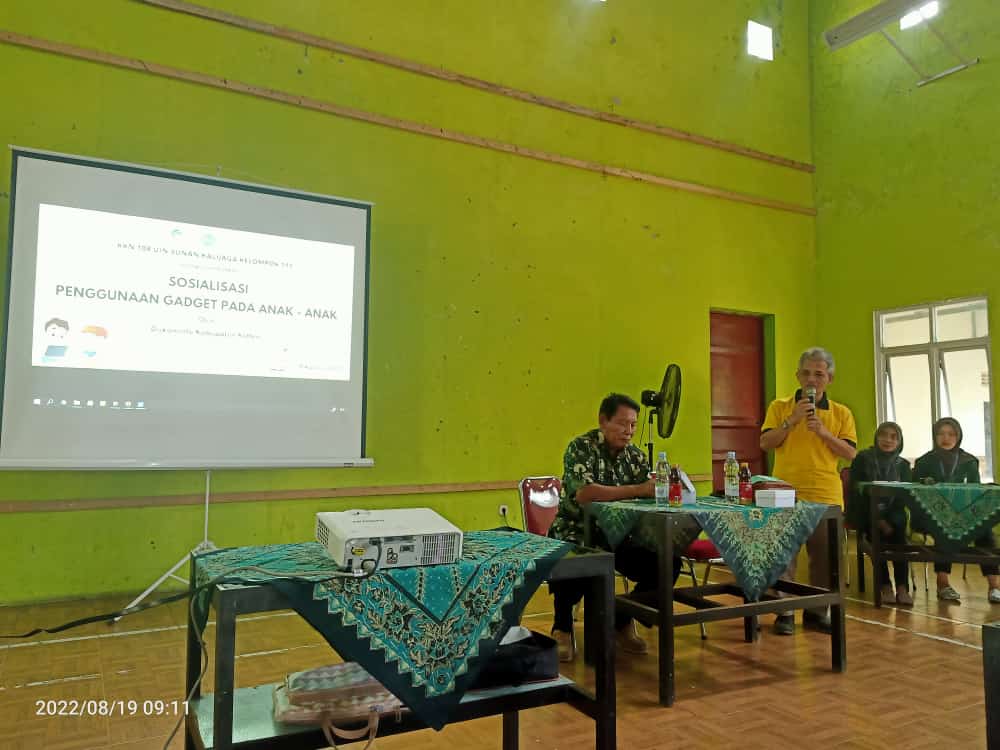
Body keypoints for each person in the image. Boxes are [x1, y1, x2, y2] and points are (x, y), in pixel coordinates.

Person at [548, 393, 679, 662]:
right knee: (582, 558)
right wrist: (638, 489)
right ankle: (562, 627)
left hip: (621, 535)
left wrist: (664, 485)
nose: (629, 431)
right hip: (577, 530)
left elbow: (647, 495)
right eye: (622, 424)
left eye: (633, 425)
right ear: (603, 421)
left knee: (668, 562)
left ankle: (621, 619)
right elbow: (585, 494)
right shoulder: (580, 448)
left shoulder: (636, 457)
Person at [760, 347, 857, 635]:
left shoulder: (841, 413)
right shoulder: (780, 407)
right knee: (783, 556)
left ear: (830, 378)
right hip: (785, 492)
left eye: (819, 374)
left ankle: (817, 612)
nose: (812, 379)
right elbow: (766, 443)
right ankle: (785, 613)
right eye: (806, 373)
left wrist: (824, 433)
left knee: (826, 558)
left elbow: (850, 453)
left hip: (826, 493)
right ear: (797, 376)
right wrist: (792, 420)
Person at [912, 417, 1000, 603]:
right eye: (941, 433)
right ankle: (943, 584)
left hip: (966, 514)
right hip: (933, 515)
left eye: (951, 434)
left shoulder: (969, 461)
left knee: (985, 531)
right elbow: (915, 492)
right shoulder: (924, 461)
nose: (946, 438)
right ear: (935, 436)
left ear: (959, 436)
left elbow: (975, 491)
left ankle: (994, 586)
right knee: (944, 528)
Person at [848, 422, 913, 605]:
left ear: (899, 441)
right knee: (877, 536)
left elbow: (904, 498)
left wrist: (888, 520)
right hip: (866, 513)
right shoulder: (862, 459)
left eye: (894, 437)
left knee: (899, 532)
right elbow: (857, 493)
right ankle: (885, 585)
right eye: (883, 435)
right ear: (876, 437)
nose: (888, 440)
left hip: (894, 517)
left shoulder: (903, 465)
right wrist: (878, 519)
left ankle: (902, 587)